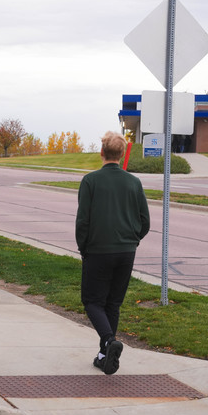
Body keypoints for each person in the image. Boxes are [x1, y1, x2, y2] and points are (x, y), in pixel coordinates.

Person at [75, 131, 150, 375]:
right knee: (113, 303)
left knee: (92, 301)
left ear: (101, 152)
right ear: (122, 154)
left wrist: (83, 247)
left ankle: (108, 342)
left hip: (98, 250)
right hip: (126, 251)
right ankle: (104, 356)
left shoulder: (90, 181)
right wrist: (132, 239)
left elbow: (83, 221)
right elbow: (144, 220)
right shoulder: (134, 182)